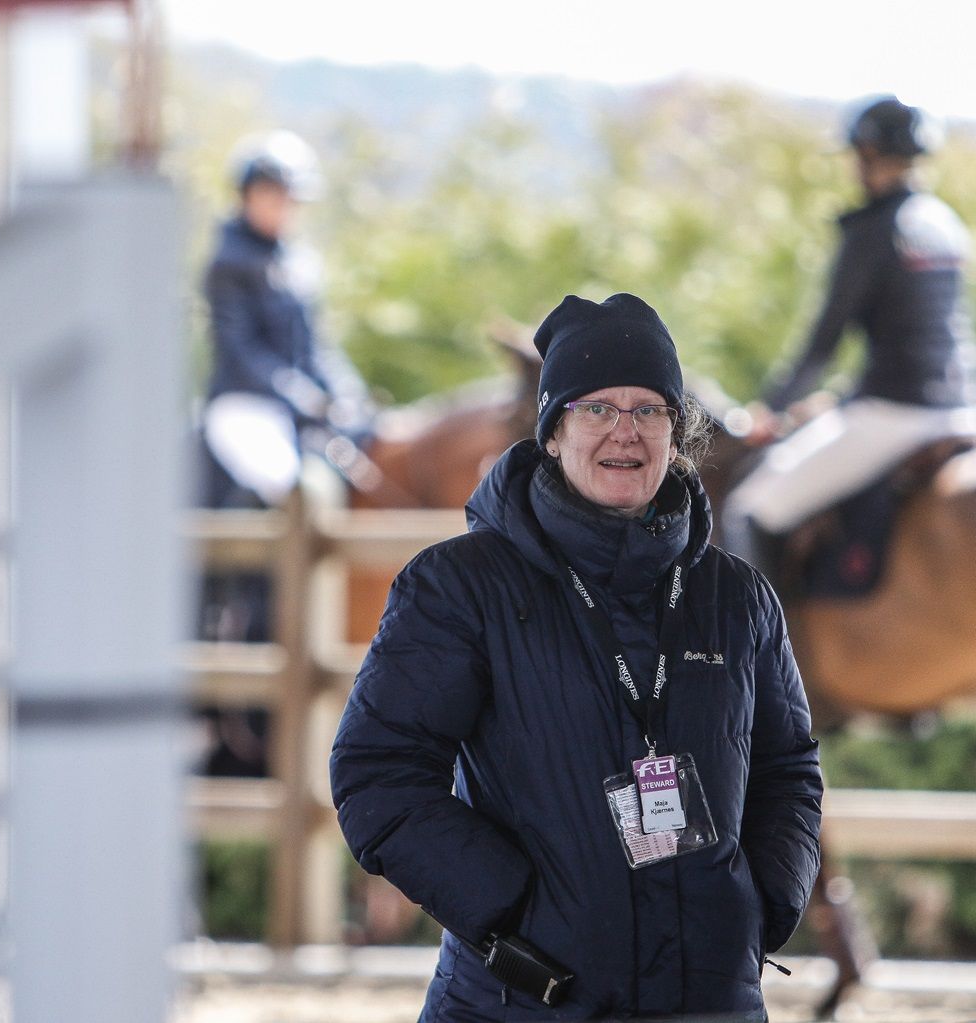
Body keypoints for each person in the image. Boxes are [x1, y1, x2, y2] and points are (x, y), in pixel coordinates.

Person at [330, 293, 823, 1021]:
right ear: (553, 433)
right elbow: (377, 770)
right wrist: (514, 911)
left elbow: (790, 768)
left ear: (676, 434)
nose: (625, 430)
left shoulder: (738, 596)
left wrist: (760, 906)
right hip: (524, 998)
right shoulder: (459, 586)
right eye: (596, 408)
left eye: (649, 409)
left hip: (710, 999)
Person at [723, 95, 976, 571]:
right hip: (965, 411)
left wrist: (773, 408)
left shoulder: (873, 229)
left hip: (896, 413)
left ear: (868, 155)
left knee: (749, 510)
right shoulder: (946, 224)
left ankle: (760, 624)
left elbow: (824, 340)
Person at [199, 128, 370, 512]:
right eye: (272, 195)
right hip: (246, 406)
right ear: (246, 195)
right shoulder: (228, 262)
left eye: (290, 198)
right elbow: (240, 350)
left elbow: (316, 345)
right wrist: (301, 395)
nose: (283, 206)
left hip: (298, 408)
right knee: (282, 482)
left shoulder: (300, 262)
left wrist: (346, 391)